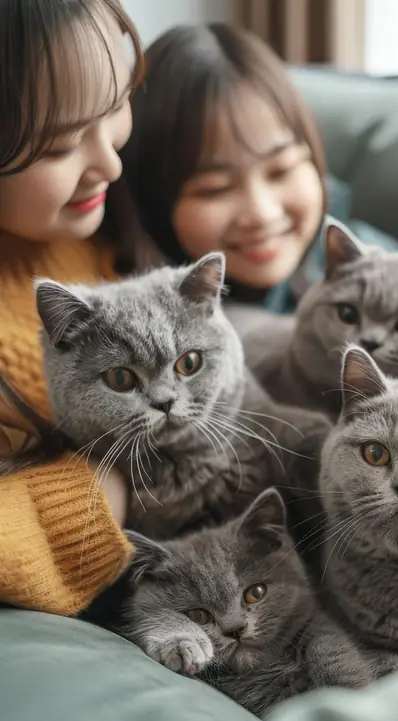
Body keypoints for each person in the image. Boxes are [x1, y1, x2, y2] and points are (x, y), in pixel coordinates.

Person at [122, 23, 398, 410]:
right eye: (215, 188)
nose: (262, 212)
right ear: (156, 200)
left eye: (282, 169)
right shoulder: (132, 303)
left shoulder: (366, 258)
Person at [0, 0, 154, 616]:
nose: (110, 163)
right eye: (61, 144)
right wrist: (106, 486)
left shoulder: (110, 216)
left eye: (116, 103)